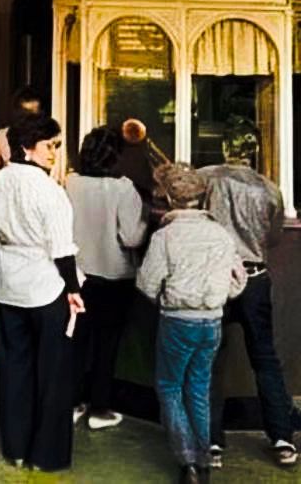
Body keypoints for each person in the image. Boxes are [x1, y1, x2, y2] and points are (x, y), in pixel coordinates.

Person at [0, 113, 82, 473]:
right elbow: (61, 249)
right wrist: (73, 289)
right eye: (49, 145)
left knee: (13, 371)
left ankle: (16, 447)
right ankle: (47, 455)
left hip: (9, 288)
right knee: (53, 376)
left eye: (56, 145)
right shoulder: (50, 191)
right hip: (48, 288)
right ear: (27, 147)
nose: (54, 152)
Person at [137, 162, 246, 484]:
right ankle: (205, 456)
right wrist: (215, 297)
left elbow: (146, 283)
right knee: (198, 388)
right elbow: (238, 281)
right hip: (211, 322)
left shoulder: (165, 236)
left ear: (169, 198)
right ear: (201, 198)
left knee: (170, 388)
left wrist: (167, 299)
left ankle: (188, 463)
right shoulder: (221, 234)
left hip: (176, 321)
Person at [202, 123, 298, 469]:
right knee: (265, 358)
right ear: (254, 150)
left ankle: (211, 441)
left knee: (210, 360)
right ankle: (282, 437)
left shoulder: (206, 178)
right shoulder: (271, 189)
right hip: (255, 278)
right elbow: (272, 239)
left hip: (215, 277)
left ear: (224, 147)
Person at [65, 125, 147, 430]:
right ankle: (100, 409)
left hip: (78, 275)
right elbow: (131, 237)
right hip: (115, 277)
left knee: (77, 342)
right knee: (107, 344)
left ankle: (72, 402)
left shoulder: (70, 182)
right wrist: (147, 215)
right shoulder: (123, 188)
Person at [0, 86, 64, 181]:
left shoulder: (51, 137)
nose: (29, 120)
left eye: (34, 115)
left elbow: (57, 171)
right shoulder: (3, 136)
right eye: (25, 114)